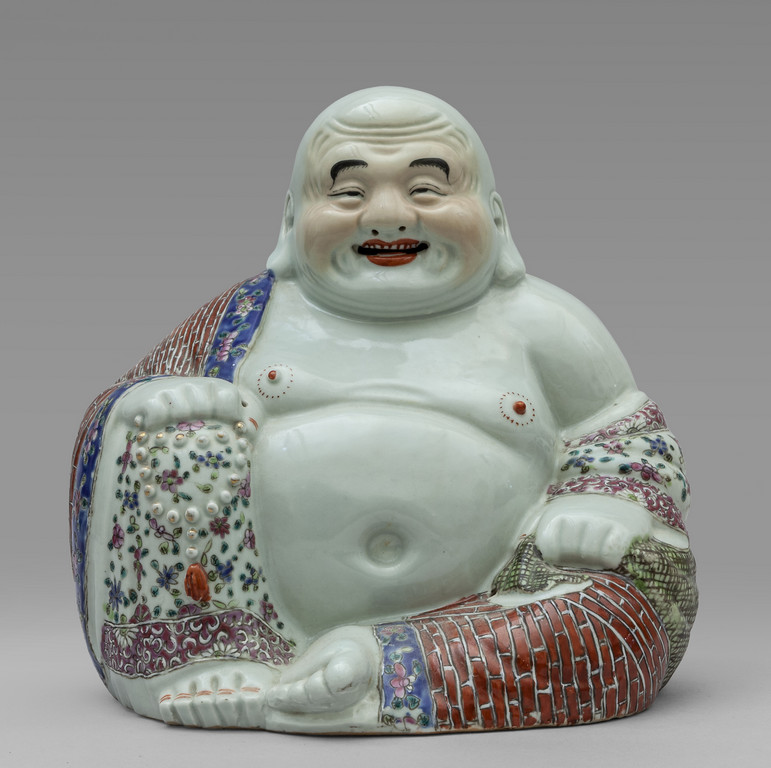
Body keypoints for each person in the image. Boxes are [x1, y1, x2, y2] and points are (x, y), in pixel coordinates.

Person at [71, 87, 696, 734]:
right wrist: (145, 403)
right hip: (251, 613)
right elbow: (116, 419)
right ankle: (211, 656)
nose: (389, 216)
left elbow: (627, 439)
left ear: (496, 218)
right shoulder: (242, 322)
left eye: (427, 189)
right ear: (290, 221)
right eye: (347, 193)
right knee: (162, 427)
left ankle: (382, 668)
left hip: (498, 601)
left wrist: (604, 502)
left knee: (625, 613)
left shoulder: (543, 325)